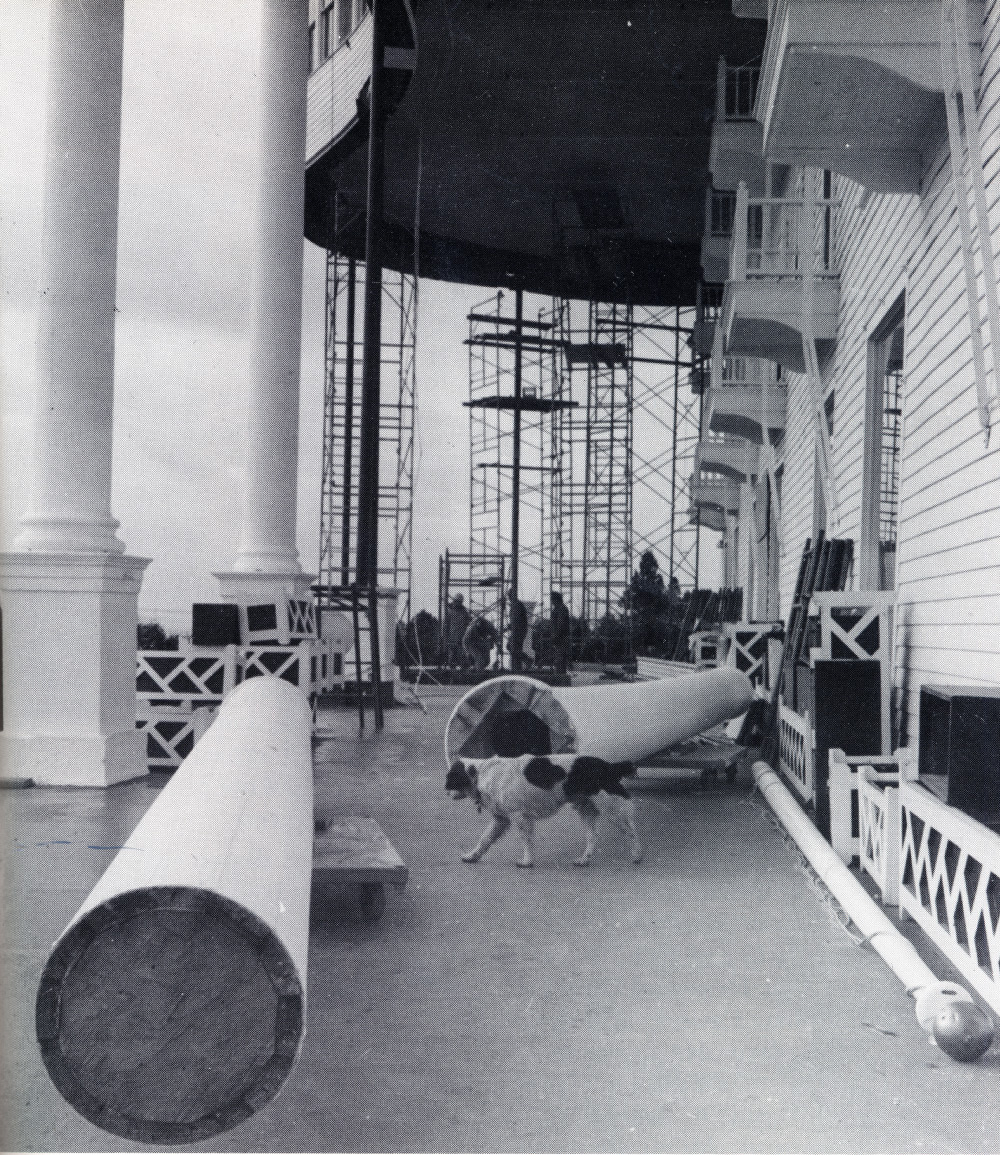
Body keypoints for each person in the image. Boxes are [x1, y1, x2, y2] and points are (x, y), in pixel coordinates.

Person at [445, 593, 471, 669]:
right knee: (452, 660)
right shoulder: (449, 611)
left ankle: (464, 674)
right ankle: (452, 676)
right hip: (452, 639)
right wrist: (445, 638)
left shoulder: (464, 612)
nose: (458, 603)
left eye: (460, 602)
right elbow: (446, 625)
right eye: (457, 601)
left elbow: (468, 623)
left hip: (461, 639)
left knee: (463, 660)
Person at [506, 588, 528, 672]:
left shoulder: (517, 605)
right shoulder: (515, 605)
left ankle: (527, 659)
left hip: (519, 631)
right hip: (518, 630)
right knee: (515, 648)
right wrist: (510, 626)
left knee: (511, 646)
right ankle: (518, 667)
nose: (509, 597)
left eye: (509, 595)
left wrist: (511, 626)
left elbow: (517, 619)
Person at [550, 590, 571, 676]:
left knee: (560, 658)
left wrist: (556, 636)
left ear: (556, 600)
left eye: (552, 600)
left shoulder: (561, 609)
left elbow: (560, 624)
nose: (551, 602)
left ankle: (560, 676)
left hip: (561, 638)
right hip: (560, 637)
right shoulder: (559, 609)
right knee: (559, 658)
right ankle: (560, 675)